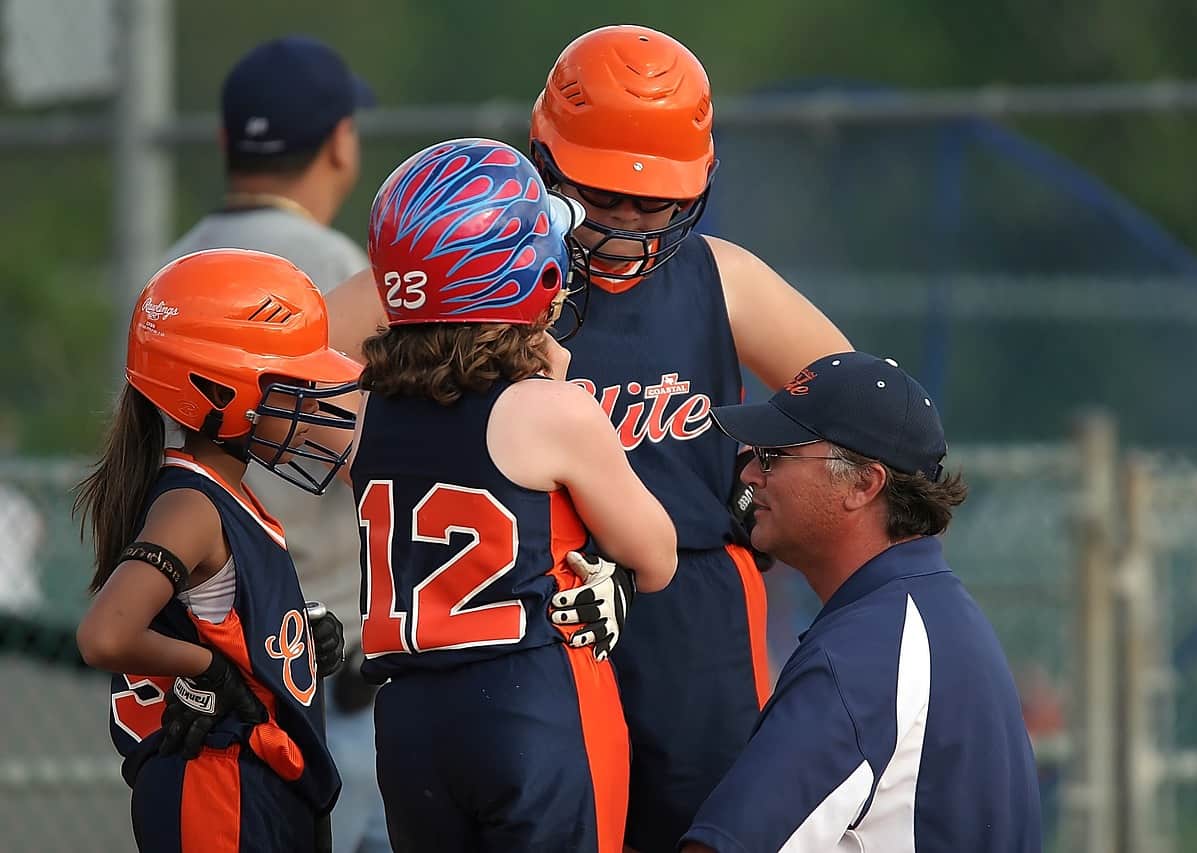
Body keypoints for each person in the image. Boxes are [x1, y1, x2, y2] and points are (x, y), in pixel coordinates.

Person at [322, 25, 852, 851]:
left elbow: (852, 395)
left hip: (688, 610)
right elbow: (291, 361)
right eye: (602, 196)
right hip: (524, 622)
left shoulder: (720, 276)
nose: (629, 224)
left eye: (654, 202)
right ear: (544, 162)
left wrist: (761, 486)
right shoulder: (466, 262)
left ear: (700, 182)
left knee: (704, 826)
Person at [351, 138, 677, 852]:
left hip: (407, 722)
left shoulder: (361, 409)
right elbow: (656, 555)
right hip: (528, 706)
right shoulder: (547, 409)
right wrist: (558, 384)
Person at [162, 35, 385, 852]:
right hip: (322, 677)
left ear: (226, 145)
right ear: (339, 142)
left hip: (187, 672)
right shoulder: (344, 272)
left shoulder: (167, 270)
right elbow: (376, 464)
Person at [680, 351, 1042, 852]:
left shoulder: (865, 652)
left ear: (863, 484)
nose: (749, 476)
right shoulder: (930, 611)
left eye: (774, 456)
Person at [73, 249, 361, 851]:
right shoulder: (192, 505)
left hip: (253, 786)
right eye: (291, 382)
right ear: (218, 389)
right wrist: (209, 674)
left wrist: (300, 641)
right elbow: (105, 635)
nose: (309, 399)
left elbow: (217, 618)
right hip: (219, 789)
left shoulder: (224, 497)